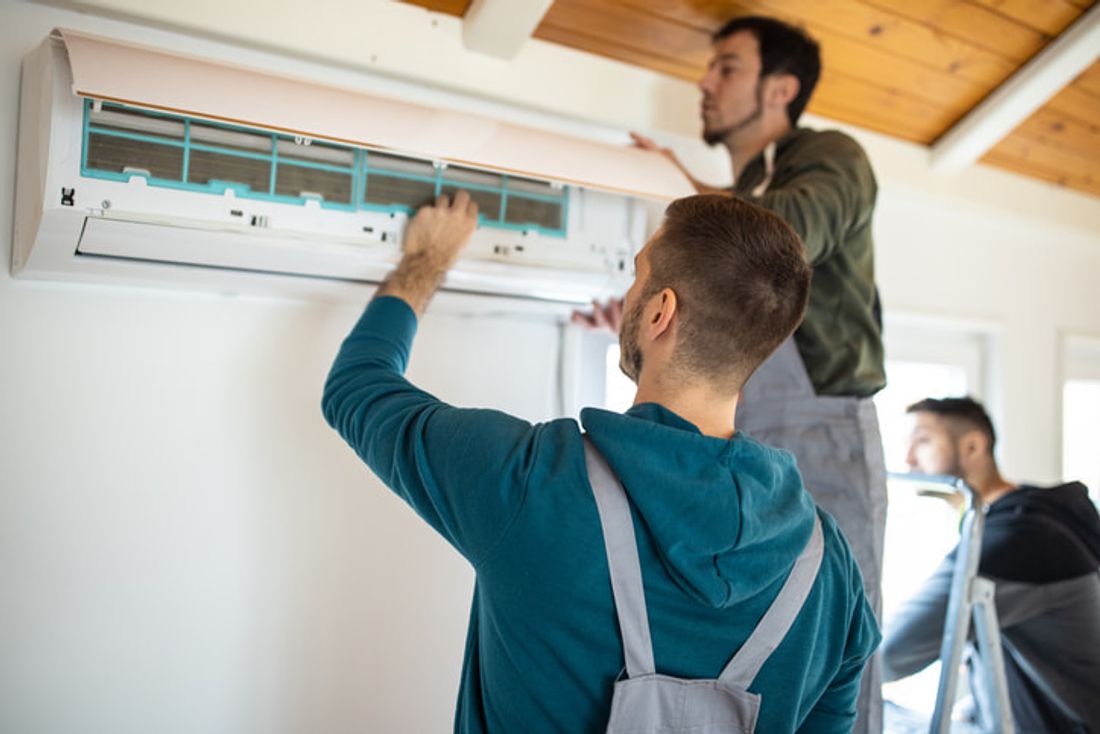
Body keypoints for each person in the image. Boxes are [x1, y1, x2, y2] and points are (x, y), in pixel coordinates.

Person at [323, 190, 880, 732]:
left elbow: (356, 387)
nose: (629, 291)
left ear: (661, 310)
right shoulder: (830, 569)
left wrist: (427, 259)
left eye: (638, 274)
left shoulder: (531, 481)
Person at [575, 16, 887, 732]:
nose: (704, 83)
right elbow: (735, 273)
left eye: (726, 68)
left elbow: (775, 246)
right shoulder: (749, 182)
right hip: (745, 424)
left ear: (780, 88)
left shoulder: (831, 155)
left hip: (823, 421)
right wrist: (649, 316)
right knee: (749, 636)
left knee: (837, 637)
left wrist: (689, 213)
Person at [882, 396, 1100, 732]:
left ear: (972, 446)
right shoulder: (1034, 518)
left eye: (922, 441)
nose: (908, 458)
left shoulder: (1020, 539)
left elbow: (888, 654)